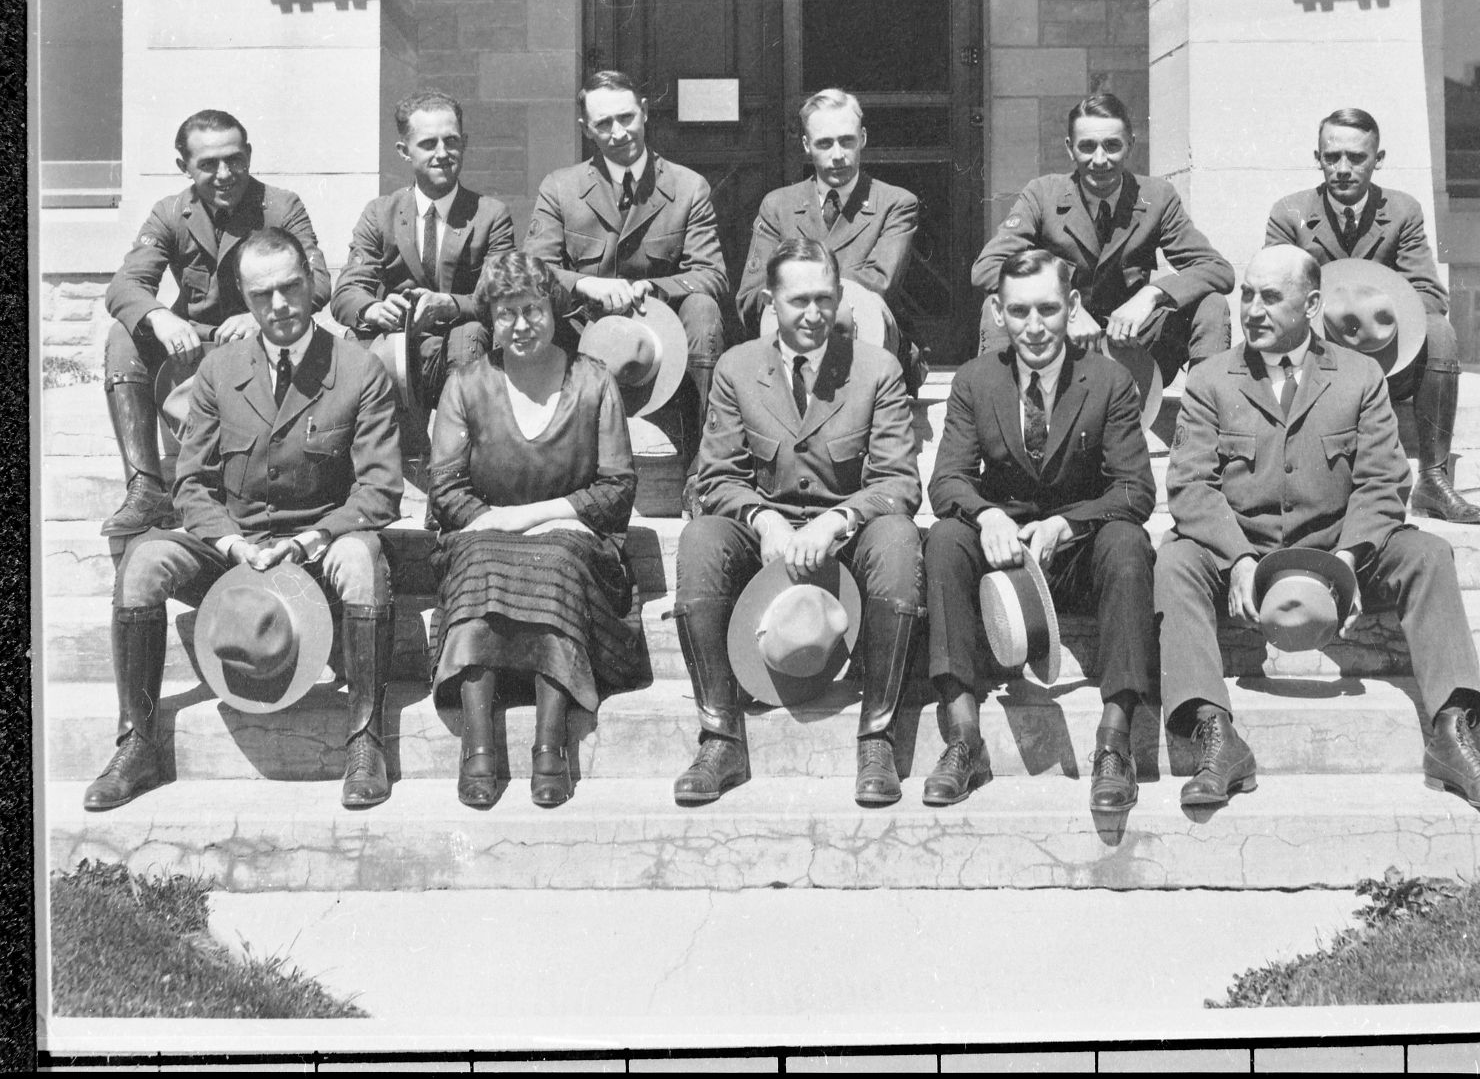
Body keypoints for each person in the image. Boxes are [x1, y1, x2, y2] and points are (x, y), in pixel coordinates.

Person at [1154, 244, 1480, 811]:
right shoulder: (1210, 379)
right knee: (1174, 559)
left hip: (1337, 549)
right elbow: (1190, 487)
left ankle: (1454, 731)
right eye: (1247, 293)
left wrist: (1347, 563)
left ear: (1312, 304)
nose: (1252, 309)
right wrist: (1238, 560)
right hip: (1244, 554)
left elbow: (1384, 481)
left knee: (1428, 553)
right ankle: (1214, 734)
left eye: (1271, 297)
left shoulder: (1360, 374)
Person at [83, 229, 402, 813]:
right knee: (144, 559)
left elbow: (379, 489)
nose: (279, 306)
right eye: (262, 296)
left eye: (289, 288)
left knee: (362, 559)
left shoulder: (359, 370)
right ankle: (138, 745)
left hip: (319, 548)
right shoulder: (218, 370)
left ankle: (365, 741)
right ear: (244, 298)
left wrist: (312, 540)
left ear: (310, 281)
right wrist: (231, 545)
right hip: (239, 549)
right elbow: (191, 484)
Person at [673, 237, 924, 808]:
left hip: (846, 531)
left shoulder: (876, 369)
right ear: (770, 303)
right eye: (798, 301)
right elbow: (716, 476)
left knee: (898, 539)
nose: (814, 314)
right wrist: (763, 521)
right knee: (700, 539)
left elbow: (898, 482)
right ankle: (720, 737)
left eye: (825, 299)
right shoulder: (738, 368)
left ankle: (877, 738)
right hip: (768, 529)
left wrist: (837, 520)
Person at [924, 250, 1158, 810]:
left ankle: (1115, 742)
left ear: (1072, 307)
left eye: (1049, 310)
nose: (1035, 327)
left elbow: (1135, 490)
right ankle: (964, 740)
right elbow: (947, 482)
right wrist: (987, 515)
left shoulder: (1109, 380)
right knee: (943, 540)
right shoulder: (976, 380)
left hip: (1077, 553)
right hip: (1003, 564)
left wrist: (1067, 524)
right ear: (999, 314)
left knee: (1129, 543)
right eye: (1019, 311)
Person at [428, 251, 649, 809]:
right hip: (484, 535)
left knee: (554, 558)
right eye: (506, 314)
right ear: (491, 320)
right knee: (479, 558)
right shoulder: (466, 385)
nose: (521, 325)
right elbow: (446, 490)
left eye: (532, 310)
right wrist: (492, 525)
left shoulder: (594, 382)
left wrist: (532, 518)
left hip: (574, 539)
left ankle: (549, 748)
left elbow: (617, 488)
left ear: (554, 309)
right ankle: (478, 750)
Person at [100, 109, 331, 537]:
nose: (225, 174)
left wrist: (259, 317)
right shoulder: (170, 213)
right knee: (124, 337)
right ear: (183, 167)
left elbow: (317, 283)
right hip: (197, 345)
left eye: (235, 160)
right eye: (208, 164)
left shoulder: (281, 206)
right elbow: (125, 285)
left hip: (265, 346)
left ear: (248, 155)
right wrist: (159, 316)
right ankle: (146, 487)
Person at [1265, 107, 1480, 524]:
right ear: (1318, 157)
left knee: (1440, 332)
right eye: (1331, 157)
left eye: (1357, 157)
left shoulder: (1402, 211)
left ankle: (1433, 480)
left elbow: (1428, 292)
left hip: (1386, 360)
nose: (1343, 169)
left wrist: (1378, 320)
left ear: (1378, 158)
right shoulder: (1290, 214)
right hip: (1314, 362)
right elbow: (1272, 296)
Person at [525, 71, 728, 494]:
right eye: (603, 124)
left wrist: (655, 289)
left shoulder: (688, 188)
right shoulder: (560, 188)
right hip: (585, 332)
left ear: (645, 113)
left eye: (626, 117)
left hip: (660, 342)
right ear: (586, 129)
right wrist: (585, 285)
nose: (618, 133)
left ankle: (702, 477)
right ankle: (549, 469)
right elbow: (534, 270)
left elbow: (711, 275)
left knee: (704, 310)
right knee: (536, 309)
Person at [969, 92, 1232, 381]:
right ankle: (998, 413)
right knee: (995, 307)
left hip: (1131, 347)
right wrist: (1064, 306)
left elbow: (1217, 270)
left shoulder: (1157, 198)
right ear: (1070, 149)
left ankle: (1204, 414)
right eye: (1087, 147)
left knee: (1211, 305)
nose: (1100, 160)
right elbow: (988, 268)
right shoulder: (1043, 195)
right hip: (1059, 346)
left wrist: (1152, 295)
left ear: (1130, 144)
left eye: (1112, 146)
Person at [330, 91, 516, 420]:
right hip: (397, 348)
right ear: (404, 151)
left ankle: (458, 460)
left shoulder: (490, 215)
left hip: (462, 348)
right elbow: (346, 293)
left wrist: (450, 304)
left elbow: (501, 297)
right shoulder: (380, 214)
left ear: (465, 143)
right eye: (429, 144)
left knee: (469, 337)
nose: (442, 154)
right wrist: (374, 309)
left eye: (452, 141)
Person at [736, 88, 922, 381]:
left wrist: (793, 287)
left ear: (862, 138)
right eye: (824, 144)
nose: (838, 156)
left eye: (846, 141)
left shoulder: (895, 204)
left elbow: (880, 284)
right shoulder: (778, 206)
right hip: (790, 355)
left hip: (867, 351)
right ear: (807, 146)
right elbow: (751, 297)